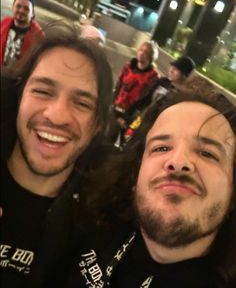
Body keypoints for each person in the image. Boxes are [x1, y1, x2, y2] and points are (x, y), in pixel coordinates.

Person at [66, 89, 236, 287]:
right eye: (161, 148)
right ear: (136, 172)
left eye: (207, 153)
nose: (178, 161)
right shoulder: (89, 225)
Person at [0, 21, 114, 288]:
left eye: (82, 103)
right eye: (42, 91)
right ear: (20, 97)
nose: (57, 116)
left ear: (98, 124)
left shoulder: (103, 226)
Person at [123, 55, 196, 143]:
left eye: (176, 69)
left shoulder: (183, 96)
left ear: (184, 75)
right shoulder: (162, 82)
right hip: (143, 120)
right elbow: (146, 99)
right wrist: (127, 114)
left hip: (158, 130)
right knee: (127, 139)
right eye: (172, 67)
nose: (171, 70)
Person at [112, 41, 160, 145]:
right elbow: (118, 86)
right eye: (141, 50)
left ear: (151, 57)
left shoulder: (153, 76)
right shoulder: (128, 66)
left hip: (131, 115)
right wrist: (113, 105)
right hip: (117, 108)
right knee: (107, 138)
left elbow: (145, 99)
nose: (141, 53)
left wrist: (127, 117)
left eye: (146, 52)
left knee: (125, 144)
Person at [0, 0, 44, 68]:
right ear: (13, 8)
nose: (21, 10)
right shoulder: (4, 23)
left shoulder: (38, 36)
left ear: (32, 14)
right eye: (18, 6)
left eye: (26, 8)